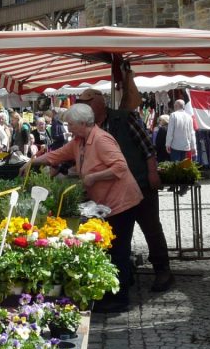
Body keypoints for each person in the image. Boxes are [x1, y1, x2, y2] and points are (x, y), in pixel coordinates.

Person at [21, 104, 142, 313]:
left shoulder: (101, 140)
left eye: (71, 124)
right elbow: (57, 155)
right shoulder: (79, 141)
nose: (68, 127)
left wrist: (93, 177)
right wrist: (33, 162)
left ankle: (120, 300)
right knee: (112, 250)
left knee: (119, 250)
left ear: (84, 123)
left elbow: (120, 167)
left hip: (122, 202)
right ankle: (112, 293)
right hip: (106, 204)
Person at [77, 88, 173, 293]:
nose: (84, 108)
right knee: (119, 233)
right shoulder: (89, 126)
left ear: (99, 104)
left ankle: (163, 270)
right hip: (114, 191)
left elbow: (148, 147)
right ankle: (123, 273)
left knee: (151, 228)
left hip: (140, 182)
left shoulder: (125, 118)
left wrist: (152, 173)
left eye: (88, 104)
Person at [166, 96, 197, 162]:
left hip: (175, 145)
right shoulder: (189, 117)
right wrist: (193, 146)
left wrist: (167, 144)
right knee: (183, 168)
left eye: (174, 105)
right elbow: (192, 133)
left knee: (176, 167)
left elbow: (170, 131)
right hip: (186, 146)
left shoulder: (173, 115)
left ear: (176, 106)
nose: (174, 107)